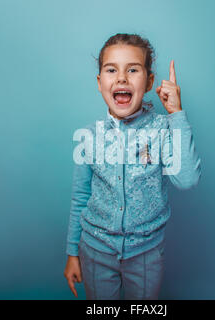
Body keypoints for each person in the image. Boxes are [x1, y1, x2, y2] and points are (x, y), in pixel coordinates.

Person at [63, 33, 202, 300]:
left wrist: (176, 115)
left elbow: (186, 180)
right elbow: (80, 197)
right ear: (100, 82)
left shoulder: (163, 130)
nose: (122, 78)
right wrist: (72, 253)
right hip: (95, 252)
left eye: (133, 69)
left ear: (149, 81)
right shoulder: (88, 136)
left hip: (146, 255)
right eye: (111, 69)